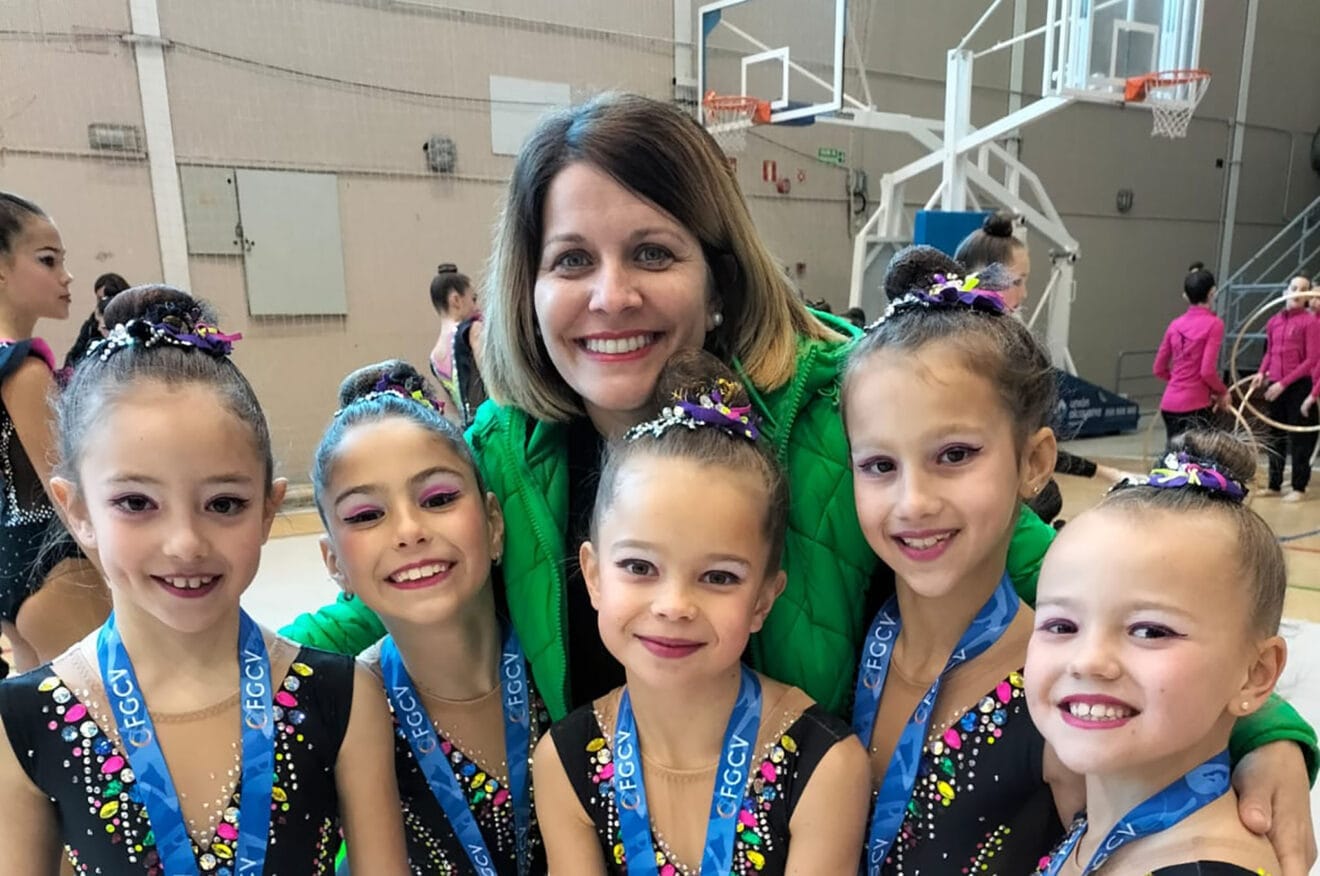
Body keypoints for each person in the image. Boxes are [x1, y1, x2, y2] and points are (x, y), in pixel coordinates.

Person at [282, 96, 1317, 866]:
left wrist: (1262, 728)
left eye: (652, 250)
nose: (611, 295)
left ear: (720, 266)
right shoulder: (512, 444)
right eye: (570, 260)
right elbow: (376, 592)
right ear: (526, 282)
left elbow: (1083, 566)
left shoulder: (828, 407)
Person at [0, 286, 409, 873]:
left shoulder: (341, 698)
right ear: (78, 512)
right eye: (137, 502)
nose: (186, 542)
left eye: (223, 504)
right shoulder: (24, 722)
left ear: (268, 510)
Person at [533, 350, 870, 874]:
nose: (673, 606)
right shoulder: (565, 760)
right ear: (594, 576)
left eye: (719, 577)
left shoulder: (824, 764)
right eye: (640, 567)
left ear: (762, 599)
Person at [843, 248, 1072, 873]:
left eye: (954, 455)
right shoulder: (844, 653)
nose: (913, 502)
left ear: (1033, 462)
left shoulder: (1064, 692)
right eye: (880, 466)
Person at [313, 359, 548, 874]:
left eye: (438, 498)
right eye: (366, 515)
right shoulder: (342, 715)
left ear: (492, 523)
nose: (408, 530)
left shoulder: (559, 671)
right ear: (336, 564)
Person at [1028, 430, 1287, 874]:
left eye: (1149, 630)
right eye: (1061, 625)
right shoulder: (1098, 828)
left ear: (1255, 674)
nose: (1089, 660)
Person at [0, 192, 109, 676]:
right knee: (118, 734)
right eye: (48, 260)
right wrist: (123, 577)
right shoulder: (22, 370)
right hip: (56, 562)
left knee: (35, 739)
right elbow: (65, 493)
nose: (66, 277)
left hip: (12, 570)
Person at [955, 214, 1134, 495]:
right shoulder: (974, 350)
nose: (1024, 293)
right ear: (980, 279)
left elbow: (1029, 440)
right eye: (1017, 282)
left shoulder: (987, 339)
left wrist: (1105, 472)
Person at [1252, 274, 1320, 501]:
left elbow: (1311, 360)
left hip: (1298, 385)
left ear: (1307, 297)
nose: (1298, 293)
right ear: (1286, 292)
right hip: (1275, 384)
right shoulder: (1274, 321)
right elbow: (1269, 352)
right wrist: (1261, 372)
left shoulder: (1310, 322)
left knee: (1299, 439)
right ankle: (1274, 483)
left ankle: (1299, 486)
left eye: (1304, 290)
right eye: (1295, 287)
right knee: (1275, 436)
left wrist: (1284, 383)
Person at [1154, 262, 1229, 446]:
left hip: (1170, 404)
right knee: (1196, 464)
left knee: (1173, 461)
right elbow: (1207, 372)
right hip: (1195, 406)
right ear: (1212, 292)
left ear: (1186, 296)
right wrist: (1222, 390)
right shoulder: (1214, 324)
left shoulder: (1175, 324)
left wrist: (1179, 380)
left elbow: (1158, 368)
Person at [428, 263, 481, 425]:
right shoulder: (472, 331)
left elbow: (449, 411)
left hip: (468, 432)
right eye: (473, 299)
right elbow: (496, 381)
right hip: (492, 424)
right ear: (456, 300)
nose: (476, 306)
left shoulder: (434, 357)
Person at [63, 271, 129, 369]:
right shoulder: (92, 324)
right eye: (99, 299)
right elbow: (74, 356)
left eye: (107, 298)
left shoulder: (134, 321)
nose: (103, 303)